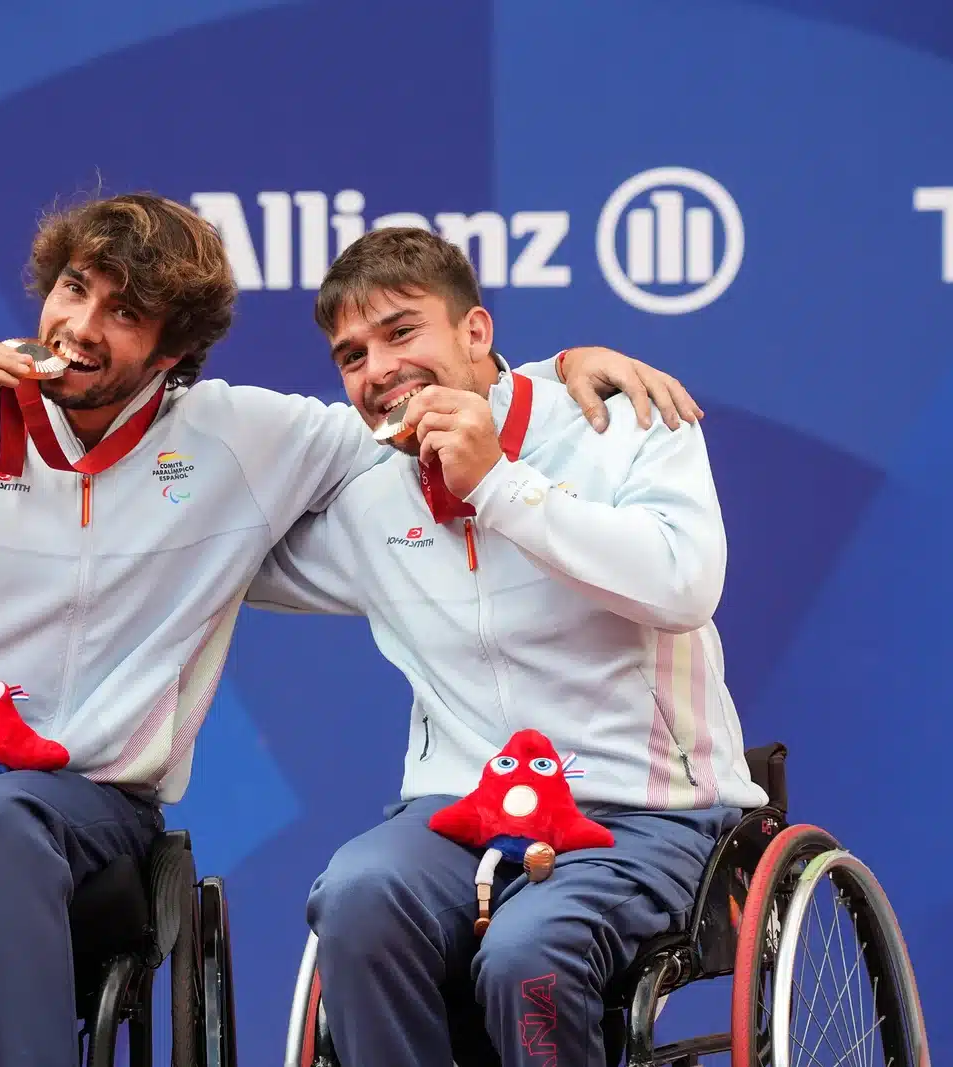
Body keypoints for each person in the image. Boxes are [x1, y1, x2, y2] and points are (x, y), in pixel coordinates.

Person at [0, 192, 699, 1067]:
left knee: (0, 818)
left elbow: (430, 405)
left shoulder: (243, 441)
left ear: (171, 354)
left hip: (80, 797)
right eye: (74, 290)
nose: (79, 326)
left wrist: (561, 368)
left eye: (122, 313)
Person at [246, 225, 766, 1067]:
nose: (377, 368)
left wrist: (497, 483)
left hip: (644, 810)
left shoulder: (624, 419)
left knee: (529, 953)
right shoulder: (370, 496)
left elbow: (684, 584)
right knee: (355, 896)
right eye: (351, 355)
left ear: (476, 332)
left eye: (401, 331)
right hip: (457, 812)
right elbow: (196, 551)